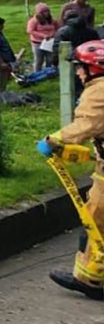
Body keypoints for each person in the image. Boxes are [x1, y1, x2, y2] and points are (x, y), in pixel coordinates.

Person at [41, 41, 104, 300]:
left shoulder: (99, 91)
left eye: (81, 67)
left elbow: (86, 125)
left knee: (97, 217)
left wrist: (53, 140)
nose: (79, 73)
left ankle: (91, 279)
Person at [27, 3, 58, 72]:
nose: (46, 13)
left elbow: (57, 28)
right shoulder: (33, 21)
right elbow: (30, 30)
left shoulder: (52, 20)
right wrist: (43, 35)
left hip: (49, 42)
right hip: (37, 43)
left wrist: (53, 34)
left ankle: (48, 72)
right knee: (39, 60)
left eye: (47, 11)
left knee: (50, 59)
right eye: (44, 12)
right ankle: (37, 73)